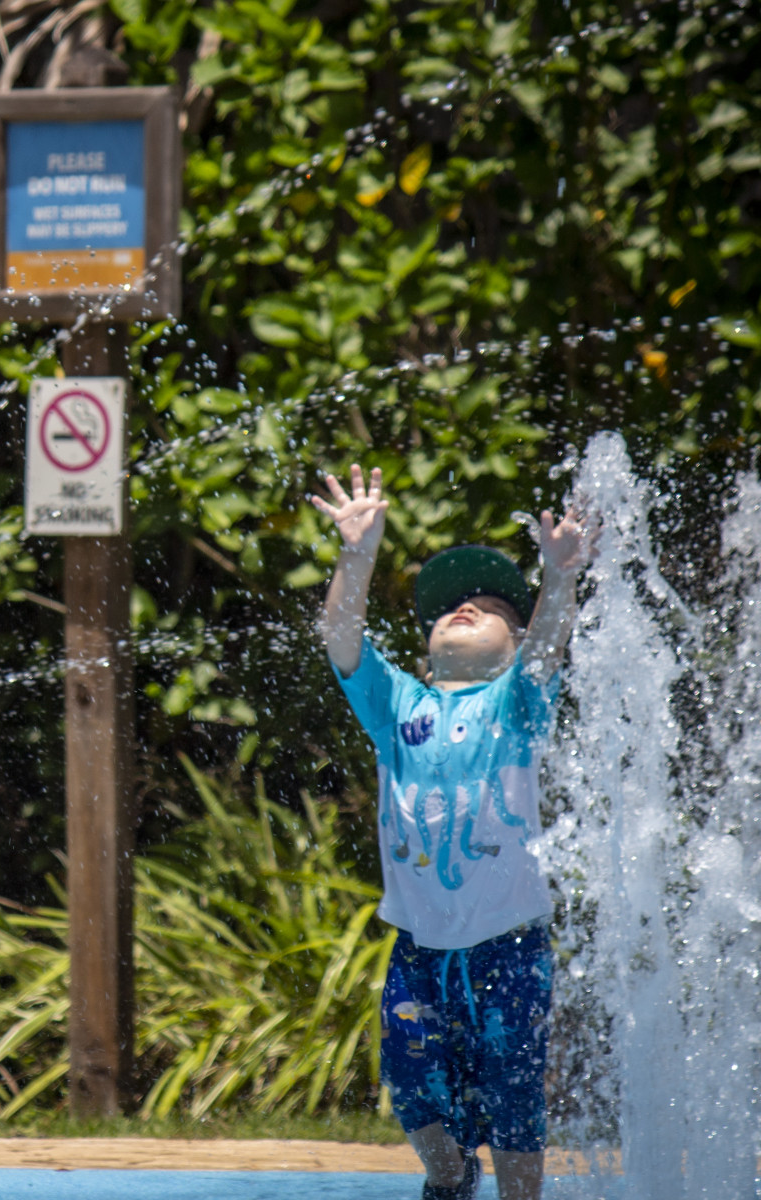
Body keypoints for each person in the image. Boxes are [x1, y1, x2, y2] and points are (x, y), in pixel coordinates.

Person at [313, 465, 597, 1200]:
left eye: (490, 607)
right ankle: (449, 1177)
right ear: (426, 647)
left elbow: (549, 646)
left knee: (513, 1093)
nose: (464, 608)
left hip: (509, 944)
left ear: (515, 642)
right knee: (411, 1085)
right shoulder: (395, 706)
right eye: (450, 609)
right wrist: (357, 556)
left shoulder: (518, 703)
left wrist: (560, 578)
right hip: (420, 948)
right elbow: (341, 637)